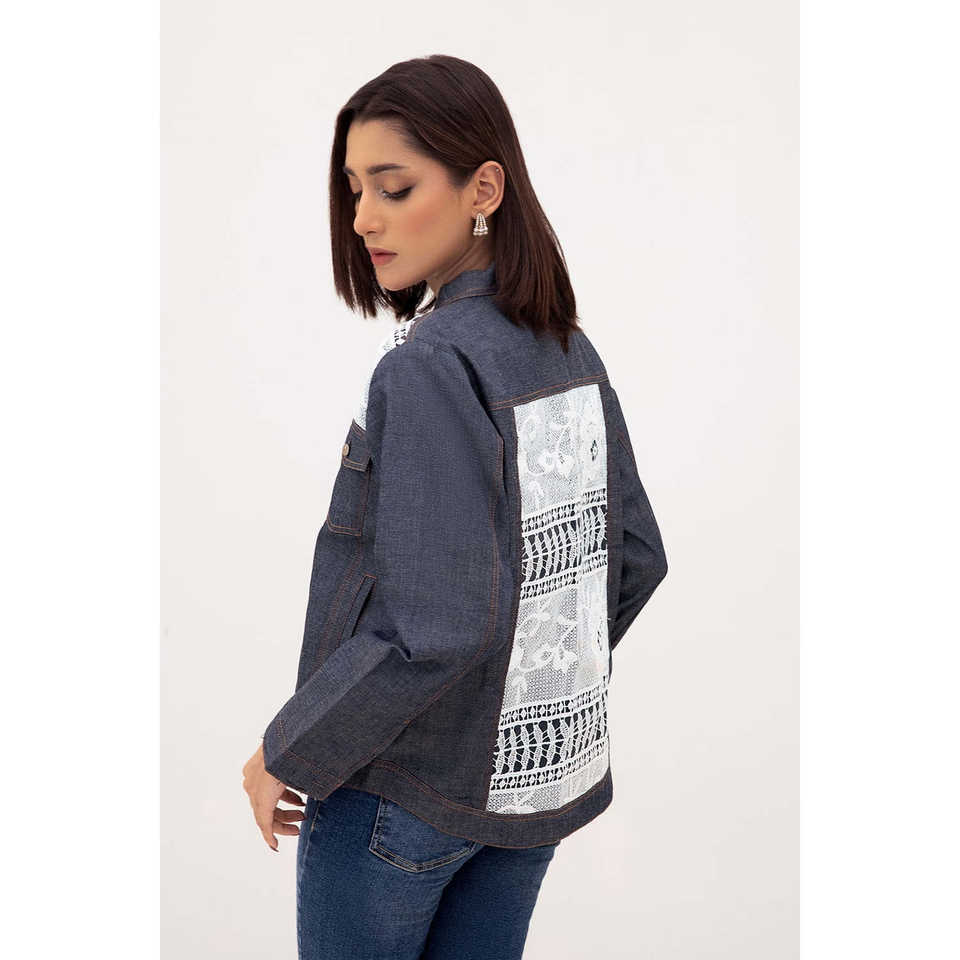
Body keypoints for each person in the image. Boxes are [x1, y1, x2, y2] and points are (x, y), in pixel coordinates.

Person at [241, 54, 668, 960]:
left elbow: (433, 625)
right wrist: (515, 702)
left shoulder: (430, 364)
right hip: (533, 793)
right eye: (354, 190)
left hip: (398, 796)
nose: (363, 218)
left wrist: (292, 748)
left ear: (484, 189)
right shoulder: (565, 347)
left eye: (394, 187)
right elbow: (631, 556)